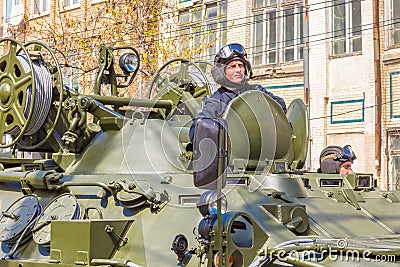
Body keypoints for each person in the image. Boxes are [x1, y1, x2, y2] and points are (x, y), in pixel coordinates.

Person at [189, 43, 286, 142]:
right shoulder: (218, 99)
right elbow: (198, 127)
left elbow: (280, 105)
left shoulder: (257, 90)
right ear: (223, 73)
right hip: (234, 152)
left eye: (240, 65)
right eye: (232, 67)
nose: (238, 70)